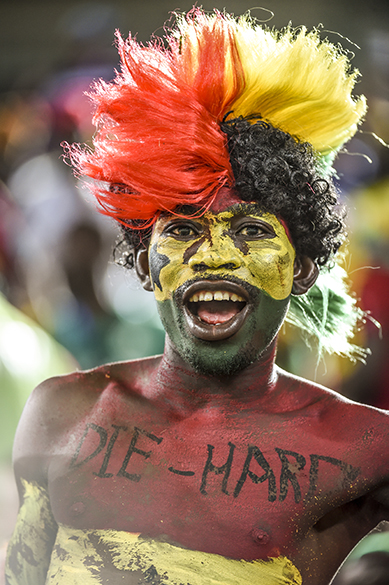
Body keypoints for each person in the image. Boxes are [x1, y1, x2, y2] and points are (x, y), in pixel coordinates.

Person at [5, 8, 389, 585]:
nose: (213, 257)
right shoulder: (62, 413)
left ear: (304, 268)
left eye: (253, 231)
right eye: (182, 230)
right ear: (141, 264)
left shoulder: (366, 451)